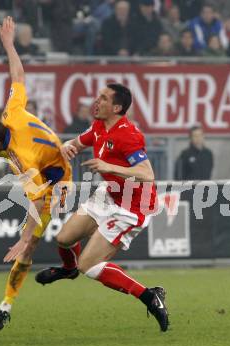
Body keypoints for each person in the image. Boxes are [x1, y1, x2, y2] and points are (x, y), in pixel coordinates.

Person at [36, 83, 169, 332]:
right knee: (64, 238)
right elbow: (77, 142)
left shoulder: (128, 134)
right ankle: (68, 269)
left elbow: (147, 173)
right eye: (98, 97)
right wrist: (65, 147)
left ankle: (150, 296)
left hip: (132, 207)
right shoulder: (98, 126)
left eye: (103, 98)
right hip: (110, 195)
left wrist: (111, 168)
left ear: (117, 107)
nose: (96, 101)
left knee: (89, 265)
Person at [0, 16, 75, 332]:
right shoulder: (10, 114)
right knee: (37, 238)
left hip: (60, 182)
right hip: (46, 173)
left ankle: (12, 300)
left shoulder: (23, 159)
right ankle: (6, 306)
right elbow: (18, 74)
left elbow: (37, 202)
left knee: (30, 245)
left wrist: (24, 238)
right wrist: (9, 44)